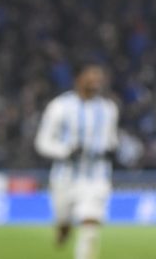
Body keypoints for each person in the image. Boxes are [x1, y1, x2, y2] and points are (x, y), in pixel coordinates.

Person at [35, 62, 119, 259]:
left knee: (90, 226)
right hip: (64, 177)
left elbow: (112, 139)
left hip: (97, 177)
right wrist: (65, 151)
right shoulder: (59, 107)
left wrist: (112, 149)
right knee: (64, 220)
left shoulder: (109, 109)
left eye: (98, 77)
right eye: (91, 76)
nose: (96, 81)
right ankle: (63, 228)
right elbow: (42, 142)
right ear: (78, 78)